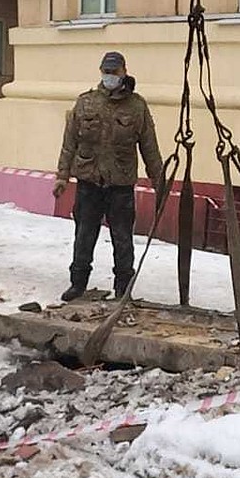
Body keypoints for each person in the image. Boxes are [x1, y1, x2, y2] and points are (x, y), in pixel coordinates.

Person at [54, 51, 164, 302]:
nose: (109, 76)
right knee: (84, 236)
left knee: (122, 239)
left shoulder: (137, 106)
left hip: (120, 184)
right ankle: (77, 284)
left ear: (124, 71)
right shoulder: (86, 103)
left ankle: (123, 289)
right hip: (89, 181)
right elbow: (69, 141)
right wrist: (62, 175)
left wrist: (159, 181)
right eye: (106, 72)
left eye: (114, 72)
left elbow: (149, 146)